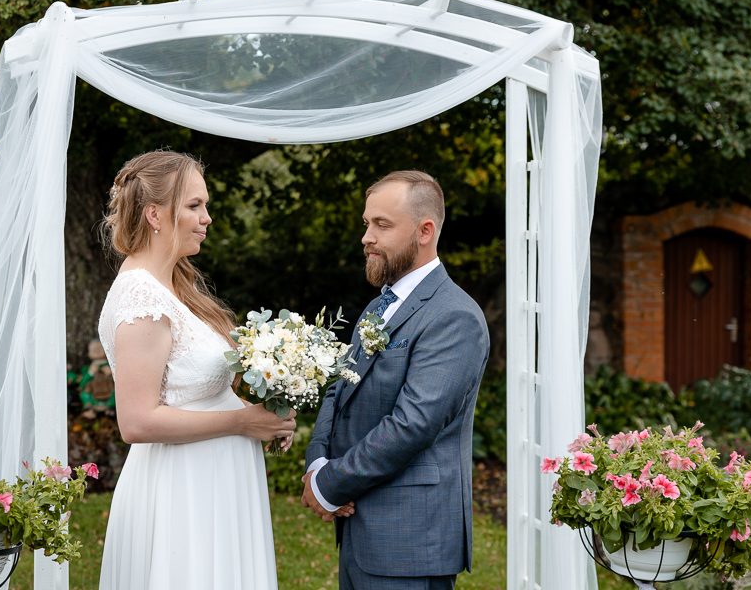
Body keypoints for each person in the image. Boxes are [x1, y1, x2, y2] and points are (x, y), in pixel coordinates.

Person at [96, 150, 295, 590]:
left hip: (215, 483)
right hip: (181, 492)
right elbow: (136, 421)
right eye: (194, 205)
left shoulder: (175, 286)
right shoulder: (140, 300)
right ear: (154, 215)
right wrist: (242, 422)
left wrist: (267, 415)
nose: (207, 218)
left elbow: (192, 390)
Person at [302, 170, 490, 590]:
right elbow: (339, 389)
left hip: (411, 540)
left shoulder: (454, 316)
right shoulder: (377, 307)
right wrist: (316, 462)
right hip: (360, 530)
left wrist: (330, 484)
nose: (366, 237)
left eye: (382, 225)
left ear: (425, 231)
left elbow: (413, 425)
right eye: (367, 223)